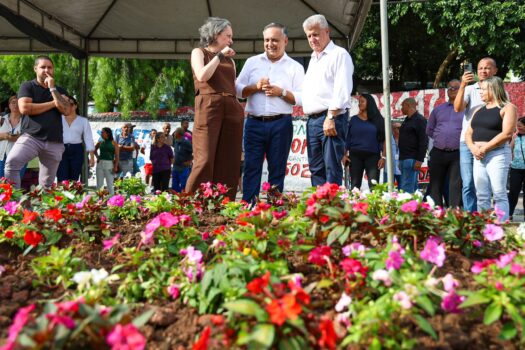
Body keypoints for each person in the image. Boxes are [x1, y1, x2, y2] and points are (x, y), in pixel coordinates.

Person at [236, 22, 304, 203]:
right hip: (254, 123)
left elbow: (302, 98)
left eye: (275, 40)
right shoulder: (252, 62)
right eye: (267, 40)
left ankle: (274, 209)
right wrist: (255, 87)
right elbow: (237, 89)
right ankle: (249, 208)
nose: (270, 44)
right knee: (251, 167)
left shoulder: (295, 67)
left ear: (285, 41)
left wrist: (280, 92)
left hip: (281, 124)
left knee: (277, 168)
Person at [185, 17, 244, 200]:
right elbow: (202, 76)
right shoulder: (199, 52)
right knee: (204, 158)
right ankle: (191, 202)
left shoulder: (231, 61)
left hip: (232, 106)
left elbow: (234, 86)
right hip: (209, 105)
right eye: (228, 36)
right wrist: (219, 56)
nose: (231, 41)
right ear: (216, 34)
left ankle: (224, 203)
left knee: (229, 159)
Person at [301, 14, 353, 186]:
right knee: (316, 168)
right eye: (309, 36)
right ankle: (319, 209)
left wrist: (331, 117)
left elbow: (342, 89)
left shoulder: (339, 54)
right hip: (313, 120)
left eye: (315, 34)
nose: (312, 39)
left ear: (327, 31)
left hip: (331, 118)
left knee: (331, 167)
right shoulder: (313, 58)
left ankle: (333, 210)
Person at [5, 55, 70, 188]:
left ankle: (44, 208)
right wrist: (54, 103)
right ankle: (14, 203)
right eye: (43, 67)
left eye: (50, 67)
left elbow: (66, 110)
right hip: (31, 137)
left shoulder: (60, 90)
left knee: (47, 184)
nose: (47, 70)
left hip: (54, 141)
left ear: (53, 70)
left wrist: (52, 89)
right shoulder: (27, 86)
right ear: (35, 69)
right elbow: (24, 108)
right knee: (12, 164)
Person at [465, 76, 517, 221]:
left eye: (483, 90)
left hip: (497, 154)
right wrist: (474, 149)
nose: (480, 93)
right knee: (481, 194)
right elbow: (468, 133)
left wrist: (485, 148)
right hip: (478, 155)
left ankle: (502, 227)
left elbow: (506, 134)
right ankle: (484, 227)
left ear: (493, 89)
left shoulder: (508, 108)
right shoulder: (478, 110)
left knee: (499, 192)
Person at [454, 57, 499, 212]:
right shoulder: (469, 89)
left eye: (487, 68)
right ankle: (471, 219)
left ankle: (488, 216)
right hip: (467, 142)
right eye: (480, 68)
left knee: (489, 183)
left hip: (492, 143)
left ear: (495, 71)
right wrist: (462, 86)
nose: (483, 71)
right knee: (468, 183)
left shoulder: (500, 91)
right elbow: (458, 109)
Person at [426, 80, 463, 207]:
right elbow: (429, 129)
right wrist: (440, 138)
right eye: (449, 87)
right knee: (435, 184)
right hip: (438, 151)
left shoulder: (466, 109)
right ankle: (437, 214)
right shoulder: (438, 110)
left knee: (455, 185)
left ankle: (454, 214)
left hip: (458, 153)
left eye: (455, 88)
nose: (451, 90)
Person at [344, 94, 385, 190]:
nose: (359, 104)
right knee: (354, 187)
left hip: (373, 157)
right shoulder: (353, 120)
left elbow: (384, 140)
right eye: (359, 102)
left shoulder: (379, 120)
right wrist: (344, 154)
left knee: (374, 187)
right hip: (355, 156)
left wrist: (383, 157)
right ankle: (354, 205)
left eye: (362, 101)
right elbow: (347, 139)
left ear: (369, 103)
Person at [56, 95, 95, 182]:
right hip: (61, 149)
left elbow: (88, 138)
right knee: (62, 178)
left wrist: (92, 157)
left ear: (75, 106)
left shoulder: (83, 121)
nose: (69, 106)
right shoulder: (58, 119)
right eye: (66, 104)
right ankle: (61, 195)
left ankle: (73, 195)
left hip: (77, 149)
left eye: (71, 104)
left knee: (74, 178)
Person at [398, 98, 428, 193]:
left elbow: (423, 141)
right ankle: (414, 206)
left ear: (408, 105)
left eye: (402, 106)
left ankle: (407, 207)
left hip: (412, 159)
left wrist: (419, 160)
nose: (401, 109)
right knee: (410, 187)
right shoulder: (407, 120)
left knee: (406, 188)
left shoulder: (420, 120)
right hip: (404, 158)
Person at [0, 96, 25, 179]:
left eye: (18, 103)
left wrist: (19, 138)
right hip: (1, 157)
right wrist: (5, 136)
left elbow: (32, 137)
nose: (15, 105)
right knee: (1, 184)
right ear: (9, 105)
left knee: (14, 184)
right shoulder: (1, 119)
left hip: (19, 157)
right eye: (13, 102)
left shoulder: (26, 121)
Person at [508, 117, 525, 220]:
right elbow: (510, 148)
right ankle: (509, 214)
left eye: (520, 126)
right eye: (517, 126)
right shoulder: (515, 137)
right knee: (513, 192)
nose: (518, 128)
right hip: (516, 169)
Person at [95, 127, 119, 195]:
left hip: (109, 164)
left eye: (103, 132)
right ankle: (99, 200)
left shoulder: (114, 143)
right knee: (99, 184)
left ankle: (111, 200)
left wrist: (115, 166)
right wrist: (97, 157)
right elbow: (94, 150)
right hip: (100, 164)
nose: (101, 134)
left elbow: (117, 156)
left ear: (107, 133)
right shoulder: (100, 142)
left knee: (110, 184)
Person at [171, 127, 193, 192]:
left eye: (175, 132)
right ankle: (174, 200)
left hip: (183, 168)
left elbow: (194, 152)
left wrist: (189, 161)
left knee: (183, 186)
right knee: (174, 187)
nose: (174, 133)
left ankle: (183, 200)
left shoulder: (186, 142)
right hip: (175, 168)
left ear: (179, 134)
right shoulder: (175, 142)